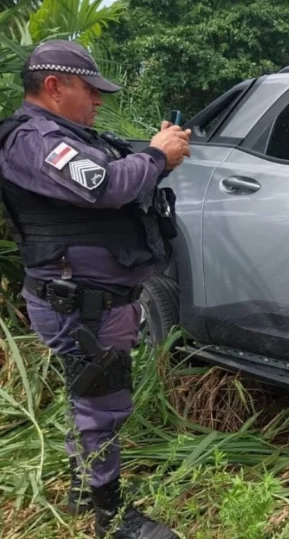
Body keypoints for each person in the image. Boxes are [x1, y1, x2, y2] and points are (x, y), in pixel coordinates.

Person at [0, 40, 190, 538]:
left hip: (97, 300)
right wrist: (155, 154)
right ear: (53, 86)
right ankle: (110, 517)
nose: (99, 101)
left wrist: (155, 159)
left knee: (93, 399)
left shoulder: (69, 134)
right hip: (80, 303)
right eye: (90, 90)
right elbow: (103, 184)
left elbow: (116, 176)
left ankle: (86, 488)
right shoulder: (34, 140)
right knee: (101, 406)